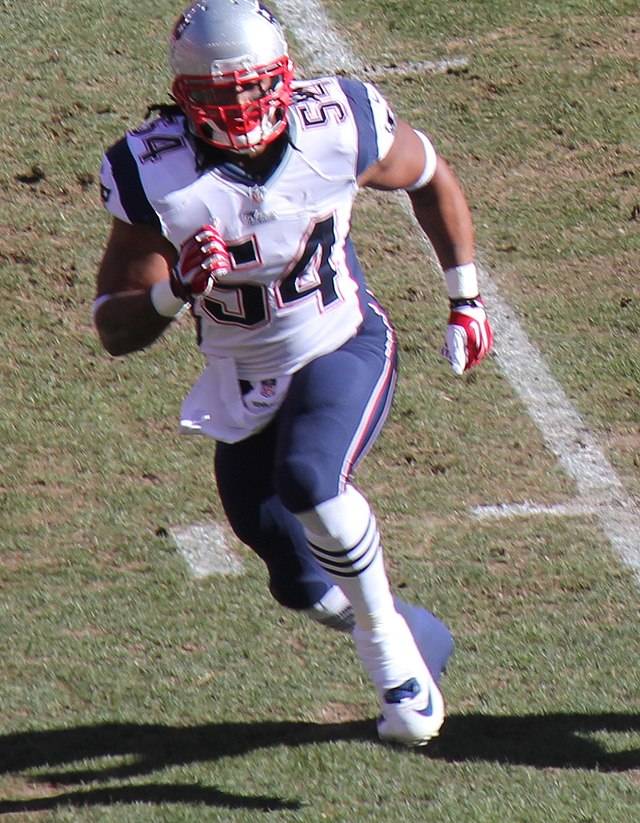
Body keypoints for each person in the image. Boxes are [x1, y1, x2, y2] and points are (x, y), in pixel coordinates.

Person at [94, 0, 493, 747]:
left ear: (286, 76)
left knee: (311, 477)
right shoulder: (155, 172)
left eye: (254, 86)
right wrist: (170, 290)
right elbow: (115, 327)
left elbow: (431, 177)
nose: (242, 107)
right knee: (298, 575)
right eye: (219, 94)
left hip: (341, 340)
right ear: (183, 98)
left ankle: (397, 671)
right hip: (244, 378)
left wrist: (464, 296)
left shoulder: (339, 121)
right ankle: (418, 637)